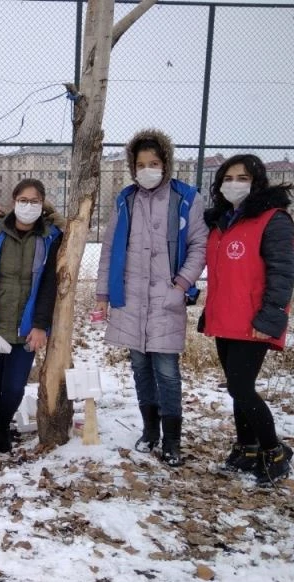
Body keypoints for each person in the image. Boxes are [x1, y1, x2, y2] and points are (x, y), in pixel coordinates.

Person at [94, 129, 207, 467]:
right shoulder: (125, 200)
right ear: (132, 166)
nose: (147, 169)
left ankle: (172, 440)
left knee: (167, 371)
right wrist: (103, 294)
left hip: (165, 299)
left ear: (166, 163)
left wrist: (181, 284)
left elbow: (199, 245)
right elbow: (110, 248)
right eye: (141, 164)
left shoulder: (186, 198)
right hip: (130, 298)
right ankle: (149, 431)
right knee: (140, 367)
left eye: (154, 163)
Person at [200, 154, 294, 485]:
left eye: (242, 178)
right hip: (226, 318)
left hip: (253, 321)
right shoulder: (223, 220)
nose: (234, 184)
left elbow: (282, 274)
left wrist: (270, 318)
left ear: (257, 183)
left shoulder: (273, 220)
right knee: (238, 389)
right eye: (228, 177)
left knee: (241, 386)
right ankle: (247, 448)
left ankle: (275, 451)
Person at [0, 178, 63, 464]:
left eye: (35, 201)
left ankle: (2, 424)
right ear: (14, 201)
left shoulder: (50, 237)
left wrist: (40, 324)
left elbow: (49, 284)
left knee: (13, 389)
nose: (28, 206)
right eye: (23, 200)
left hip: (25, 327)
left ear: (42, 203)